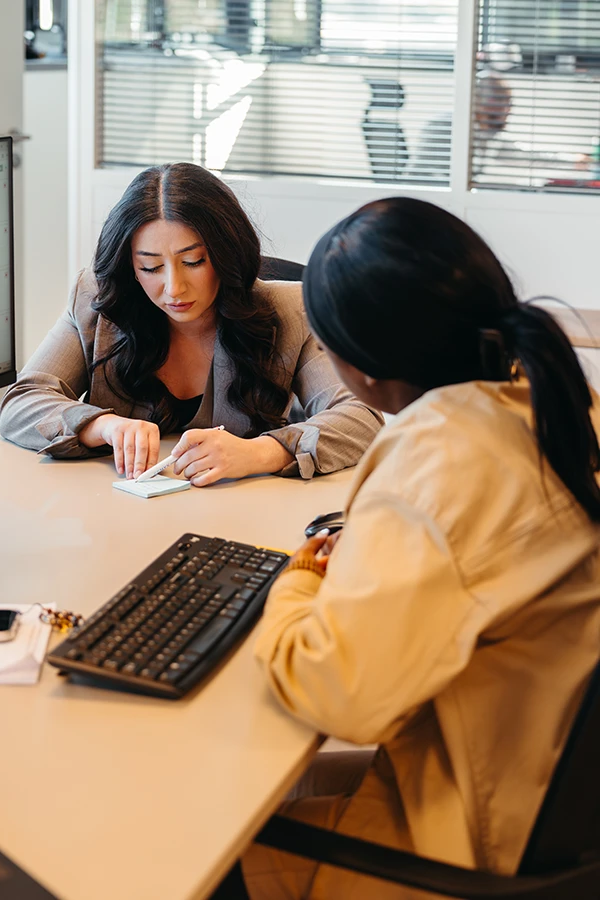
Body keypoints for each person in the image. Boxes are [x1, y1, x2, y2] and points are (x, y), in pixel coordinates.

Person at [233, 197, 600, 898]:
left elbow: (338, 695)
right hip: (549, 796)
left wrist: (300, 578)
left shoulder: (442, 457)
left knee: (205, 834)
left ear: (362, 371)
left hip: (479, 838)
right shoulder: (551, 400)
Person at [0, 163, 382, 484]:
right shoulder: (97, 301)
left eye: (194, 262)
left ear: (225, 254)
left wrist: (261, 452)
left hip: (244, 515)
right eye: (150, 267)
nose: (174, 287)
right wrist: (102, 427)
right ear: (130, 267)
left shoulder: (291, 310)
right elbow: (22, 401)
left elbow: (360, 418)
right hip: (120, 515)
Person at [407, 70, 588, 183]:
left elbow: (522, 155)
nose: (509, 110)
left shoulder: (487, 134)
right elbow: (434, 177)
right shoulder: (447, 127)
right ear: (483, 101)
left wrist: (574, 160)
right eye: (504, 102)